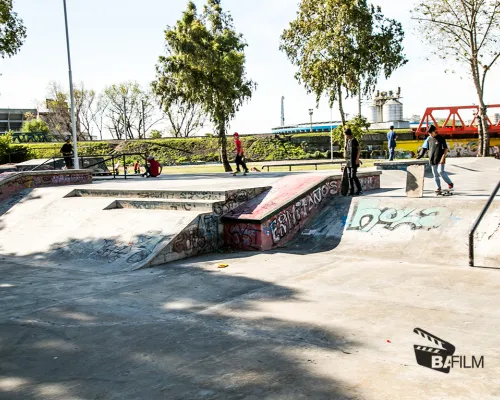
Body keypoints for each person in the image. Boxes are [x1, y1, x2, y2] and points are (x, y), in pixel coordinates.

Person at [420, 125, 454, 194]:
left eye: (430, 133)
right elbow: (425, 148)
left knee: (440, 171)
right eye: (429, 133)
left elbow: (446, 149)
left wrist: (443, 158)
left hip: (440, 159)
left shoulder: (441, 138)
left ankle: (449, 183)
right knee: (435, 174)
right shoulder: (429, 139)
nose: (430, 134)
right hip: (432, 159)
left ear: (434, 131)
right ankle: (438, 187)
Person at [344, 128, 363, 196]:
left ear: (348, 134)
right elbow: (346, 150)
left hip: (354, 161)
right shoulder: (347, 141)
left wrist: (357, 159)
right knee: (349, 176)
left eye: (345, 135)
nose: (345, 136)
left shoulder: (354, 140)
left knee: (353, 176)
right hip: (349, 161)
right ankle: (351, 191)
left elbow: (358, 149)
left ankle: (360, 190)